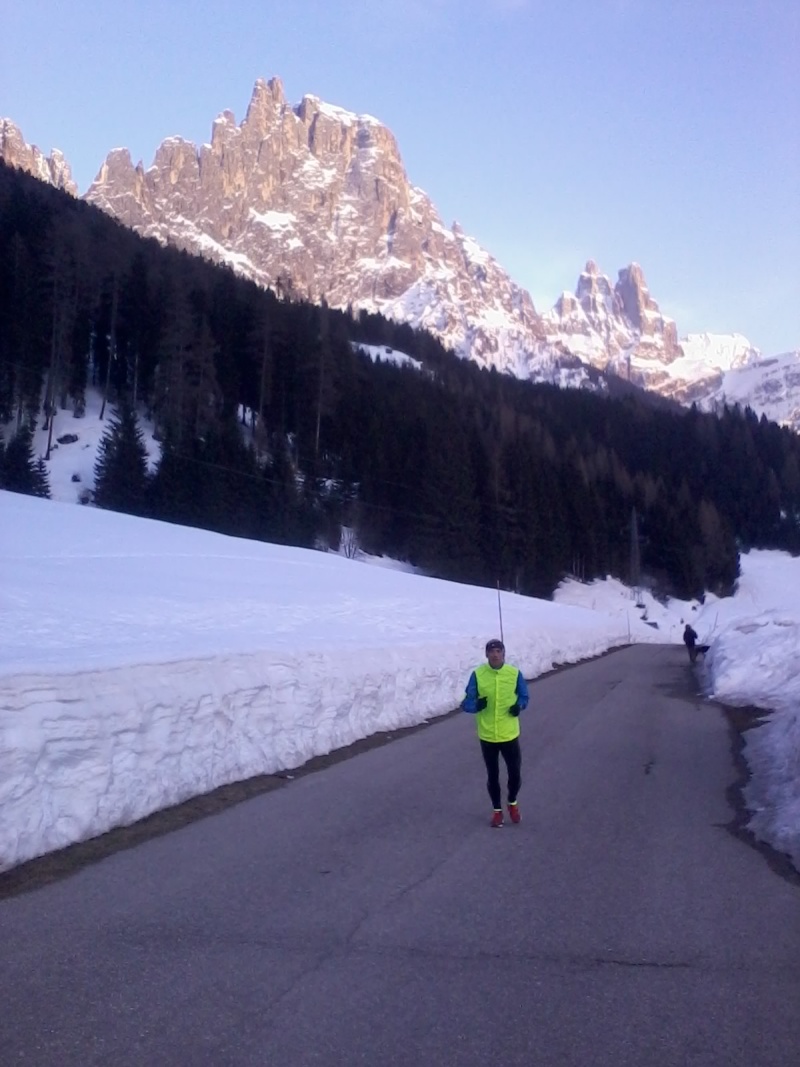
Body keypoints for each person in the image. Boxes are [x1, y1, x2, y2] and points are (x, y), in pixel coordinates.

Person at [461, 638, 529, 827]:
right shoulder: (478, 675)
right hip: (488, 735)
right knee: (493, 775)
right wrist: (476, 705)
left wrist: (519, 706)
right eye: (491, 651)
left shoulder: (514, 674)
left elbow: (524, 696)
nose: (495, 654)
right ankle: (497, 811)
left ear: (504, 653)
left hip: (509, 734)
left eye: (498, 651)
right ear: (486, 654)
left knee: (515, 774)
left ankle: (512, 803)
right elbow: (465, 703)